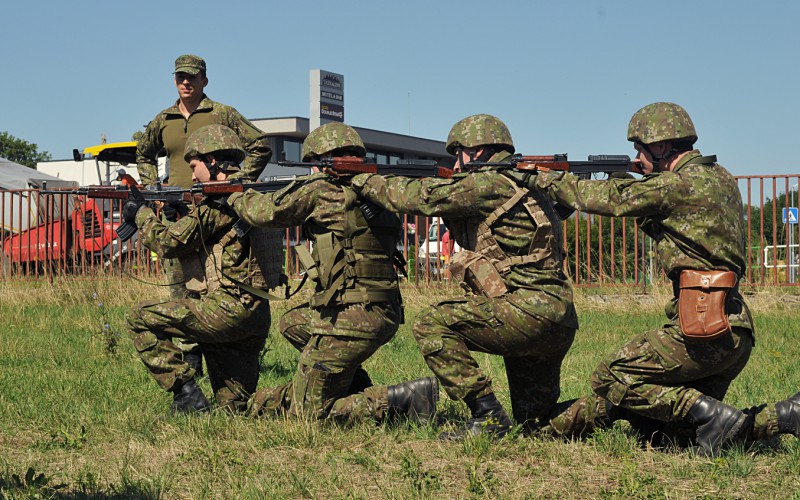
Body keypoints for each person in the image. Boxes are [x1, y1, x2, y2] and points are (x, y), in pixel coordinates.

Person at [531, 102, 789, 456]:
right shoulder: (719, 177)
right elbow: (665, 222)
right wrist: (635, 178)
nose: (636, 155)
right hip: (734, 328)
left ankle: (708, 411)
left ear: (662, 146)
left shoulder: (677, 184)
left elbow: (612, 200)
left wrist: (544, 178)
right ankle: (783, 416)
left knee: (611, 375)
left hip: (701, 328)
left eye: (640, 147)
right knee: (679, 436)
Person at [350, 114, 578, 439]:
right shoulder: (528, 182)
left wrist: (362, 179)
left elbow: (420, 198)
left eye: (458, 154)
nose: (455, 164)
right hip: (558, 319)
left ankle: (487, 416)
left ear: (476, 151)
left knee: (430, 323)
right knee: (536, 425)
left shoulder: (488, 182)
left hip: (525, 315)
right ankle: (615, 409)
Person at [226, 122, 438, 424]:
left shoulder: (323, 191)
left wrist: (234, 194)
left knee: (309, 412)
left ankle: (401, 401)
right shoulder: (375, 192)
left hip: (352, 315)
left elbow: (264, 213)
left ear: (320, 163)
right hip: (383, 311)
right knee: (293, 323)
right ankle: (353, 386)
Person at [135, 54, 273, 384]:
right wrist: (154, 189)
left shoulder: (222, 113)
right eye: (181, 77)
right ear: (174, 80)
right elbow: (143, 152)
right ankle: (190, 361)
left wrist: (235, 182)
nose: (186, 82)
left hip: (216, 208)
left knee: (215, 280)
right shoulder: (163, 119)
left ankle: (218, 349)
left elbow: (261, 145)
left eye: (193, 77)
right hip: (177, 209)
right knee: (179, 285)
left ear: (204, 81)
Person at [125, 125, 271, 414]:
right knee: (236, 408)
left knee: (138, 318)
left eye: (194, 166)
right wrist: (182, 214)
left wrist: (140, 214)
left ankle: (186, 394)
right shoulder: (249, 197)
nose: (192, 175)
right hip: (254, 315)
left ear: (212, 161)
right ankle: (323, 402)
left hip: (225, 311)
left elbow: (167, 243)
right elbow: (210, 239)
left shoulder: (218, 204)